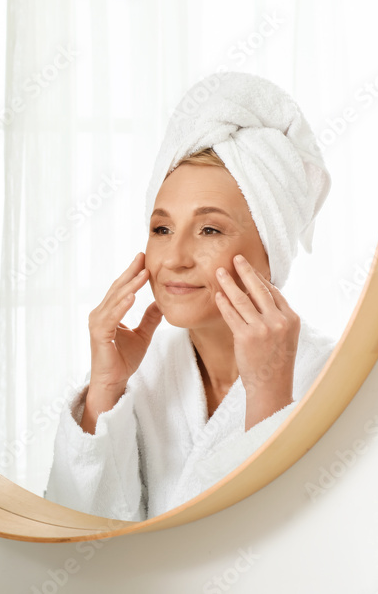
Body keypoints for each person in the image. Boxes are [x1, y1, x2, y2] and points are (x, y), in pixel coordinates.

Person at [44, 72, 336, 521]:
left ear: (271, 250)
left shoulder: (336, 377)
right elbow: (77, 541)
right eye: (162, 229)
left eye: (209, 229)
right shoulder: (146, 374)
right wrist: (105, 389)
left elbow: (299, 558)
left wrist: (268, 394)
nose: (174, 257)